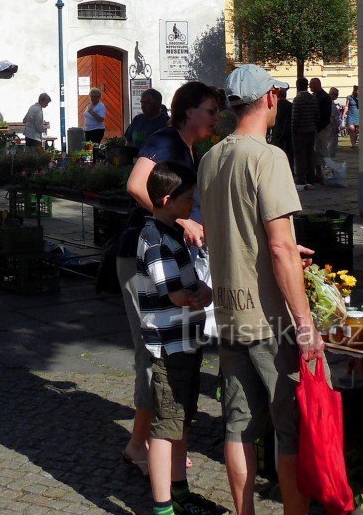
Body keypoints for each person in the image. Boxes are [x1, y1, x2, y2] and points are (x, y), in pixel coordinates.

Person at [199, 64, 318, 515]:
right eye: (278, 96)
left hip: (229, 310)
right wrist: (304, 324)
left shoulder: (212, 158)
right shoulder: (268, 158)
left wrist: (285, 247)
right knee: (289, 429)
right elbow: (278, 246)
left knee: (238, 425)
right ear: (269, 98)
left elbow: (231, 231)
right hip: (270, 319)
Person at [114, 80, 218, 478]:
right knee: (152, 349)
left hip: (164, 257)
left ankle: (152, 441)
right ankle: (141, 445)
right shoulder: (165, 140)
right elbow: (136, 185)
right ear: (188, 110)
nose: (215, 117)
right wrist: (182, 218)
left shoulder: (187, 147)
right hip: (143, 257)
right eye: (210, 110)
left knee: (162, 349)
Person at [132, 162, 213, 515]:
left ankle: (179, 490)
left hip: (186, 340)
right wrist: (193, 295)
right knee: (166, 426)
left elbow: (191, 283)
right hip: (167, 344)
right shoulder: (153, 239)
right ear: (167, 200)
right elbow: (172, 291)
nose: (191, 206)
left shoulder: (172, 235)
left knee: (182, 419)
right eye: (188, 200)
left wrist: (203, 292)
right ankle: (163, 505)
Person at [290, 76, 319, 186]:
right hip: (311, 130)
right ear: (307, 86)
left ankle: (301, 179)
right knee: (310, 154)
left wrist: (293, 131)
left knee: (299, 156)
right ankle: (311, 177)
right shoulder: (313, 98)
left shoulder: (297, 99)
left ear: (297, 86)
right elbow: (317, 115)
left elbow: (295, 118)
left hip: (300, 132)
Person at [313, 81, 337, 176]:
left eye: (312, 84)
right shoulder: (316, 95)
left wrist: (318, 128)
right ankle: (320, 172)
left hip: (322, 128)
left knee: (323, 150)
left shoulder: (324, 97)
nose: (310, 86)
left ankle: (327, 172)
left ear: (317, 85)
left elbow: (326, 116)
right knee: (317, 150)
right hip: (318, 127)